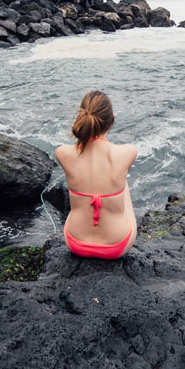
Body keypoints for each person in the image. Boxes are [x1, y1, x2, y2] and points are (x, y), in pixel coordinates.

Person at [54, 90, 138, 259]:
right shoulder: (128, 152)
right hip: (117, 246)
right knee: (123, 183)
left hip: (75, 243)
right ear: (111, 119)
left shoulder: (63, 153)